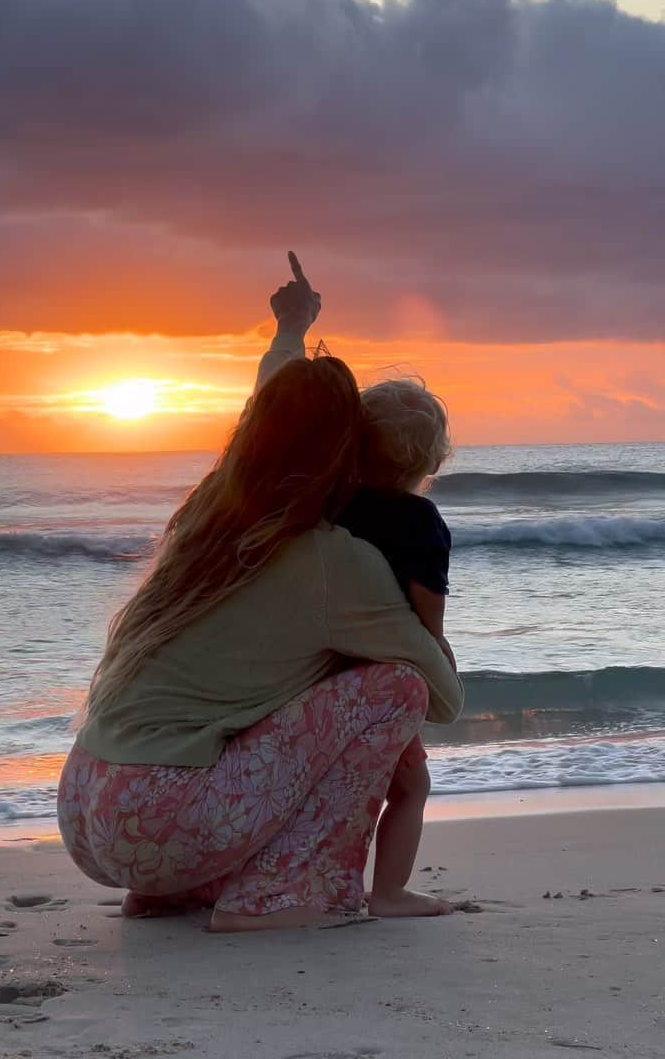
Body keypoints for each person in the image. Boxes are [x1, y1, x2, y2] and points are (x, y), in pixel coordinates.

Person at [57, 325, 464, 932]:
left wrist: (290, 331)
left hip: (87, 807)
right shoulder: (332, 561)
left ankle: (173, 891)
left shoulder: (212, 512)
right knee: (397, 688)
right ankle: (279, 895)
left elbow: (269, 406)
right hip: (162, 821)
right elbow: (443, 699)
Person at [257, 253, 457, 913]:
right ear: (428, 462)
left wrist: (291, 330)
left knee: (310, 784)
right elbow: (425, 621)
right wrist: (441, 672)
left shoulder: (327, 500)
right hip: (376, 678)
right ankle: (390, 890)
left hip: (304, 672)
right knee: (408, 786)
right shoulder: (419, 522)